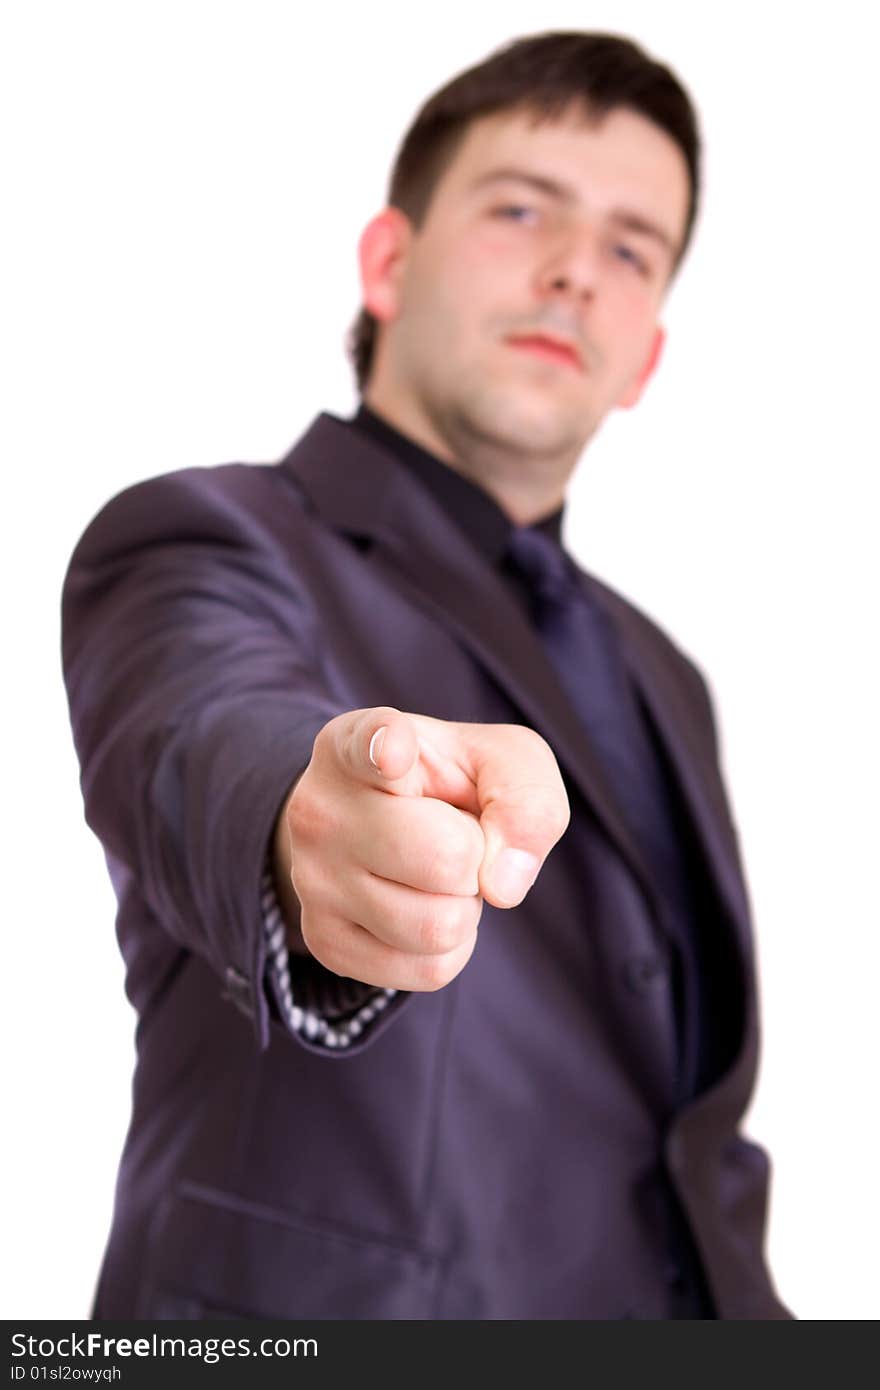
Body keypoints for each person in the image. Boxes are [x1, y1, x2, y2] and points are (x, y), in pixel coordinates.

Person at [61, 30, 792, 1319]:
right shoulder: (208, 535)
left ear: (649, 355)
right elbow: (209, 731)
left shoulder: (664, 675)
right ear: (388, 262)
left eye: (633, 250)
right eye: (523, 210)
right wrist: (309, 822)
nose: (576, 272)